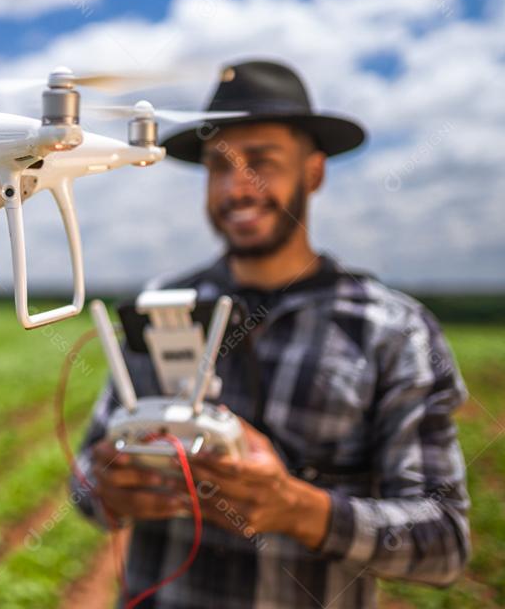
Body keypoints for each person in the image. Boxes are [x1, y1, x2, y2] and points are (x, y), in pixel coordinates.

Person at [71, 60, 470, 608]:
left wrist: (297, 507)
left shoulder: (392, 332)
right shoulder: (161, 308)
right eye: (218, 165)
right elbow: (87, 483)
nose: (237, 188)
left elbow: (444, 542)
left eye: (262, 162)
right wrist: (108, 489)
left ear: (314, 172)